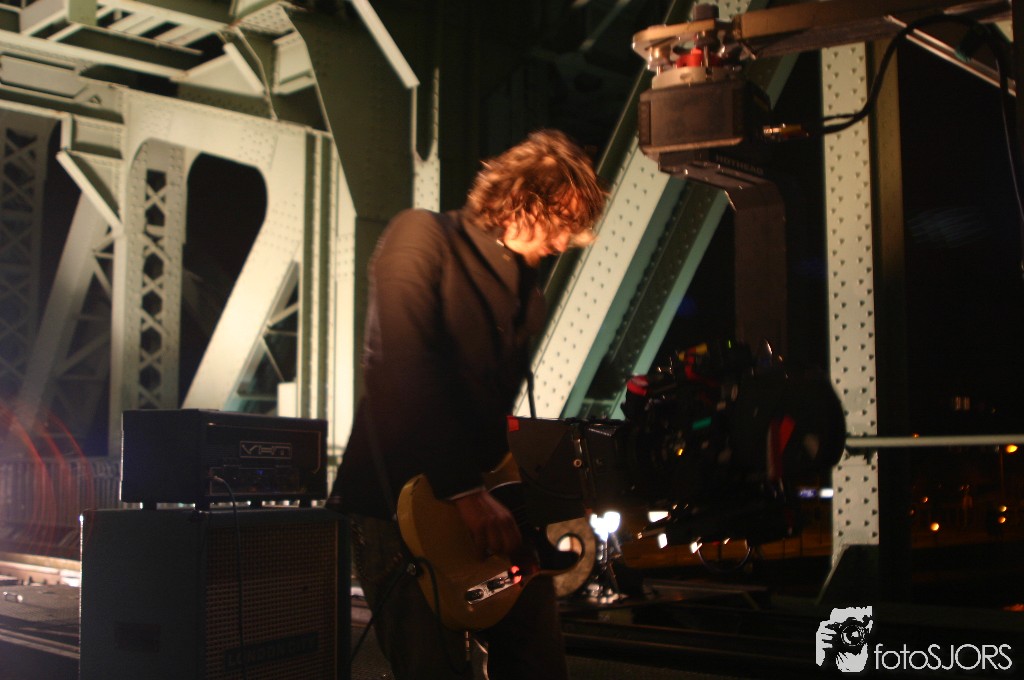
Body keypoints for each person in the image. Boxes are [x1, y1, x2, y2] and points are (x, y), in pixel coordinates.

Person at [331, 129, 607, 680]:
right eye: (563, 221)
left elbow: (486, 418)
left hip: (484, 509)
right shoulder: (421, 235)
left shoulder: (527, 294)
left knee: (537, 657)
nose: (566, 241)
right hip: (401, 510)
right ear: (525, 198)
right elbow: (399, 369)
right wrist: (464, 492)